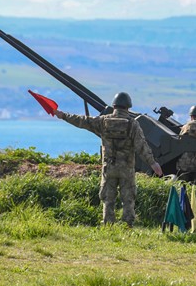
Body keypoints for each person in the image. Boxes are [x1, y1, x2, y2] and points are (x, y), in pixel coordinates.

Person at [54, 92, 163, 227]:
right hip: (126, 169)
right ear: (128, 107)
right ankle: (128, 225)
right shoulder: (132, 124)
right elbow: (142, 146)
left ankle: (108, 225)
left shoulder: (103, 121)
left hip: (109, 167)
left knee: (108, 198)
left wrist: (63, 115)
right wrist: (153, 163)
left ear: (114, 106)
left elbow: (82, 121)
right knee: (128, 199)